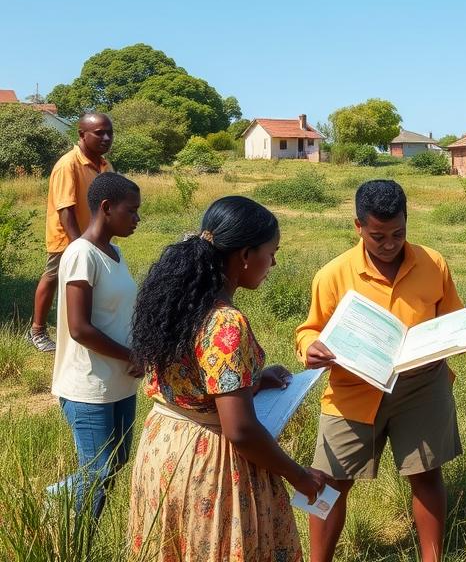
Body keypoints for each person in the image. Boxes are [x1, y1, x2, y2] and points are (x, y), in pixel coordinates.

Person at [296, 179, 466, 562]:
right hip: (352, 391)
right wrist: (310, 348)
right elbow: (309, 329)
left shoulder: (433, 263)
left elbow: (453, 318)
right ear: (358, 227)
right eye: (378, 236)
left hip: (422, 386)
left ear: (408, 220)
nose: (389, 244)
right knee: (330, 481)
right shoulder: (333, 274)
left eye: (398, 234)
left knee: (426, 474)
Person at [127, 196, 326, 562]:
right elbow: (241, 430)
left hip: (163, 448)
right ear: (246, 255)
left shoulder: (178, 304)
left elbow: (196, 381)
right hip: (209, 464)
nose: (274, 262)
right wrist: (298, 475)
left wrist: (253, 381)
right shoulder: (226, 323)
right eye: (272, 252)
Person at [51, 171, 142, 522]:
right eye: (131, 210)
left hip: (120, 381)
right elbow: (80, 328)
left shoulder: (115, 253)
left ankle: (52, 501)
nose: (137, 218)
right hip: (88, 386)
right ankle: (78, 546)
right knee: (97, 473)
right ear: (106, 207)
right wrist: (131, 355)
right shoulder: (81, 254)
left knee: (114, 464)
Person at [29, 113, 114, 352]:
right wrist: (79, 246)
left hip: (93, 238)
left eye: (109, 132)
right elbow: (65, 209)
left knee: (92, 281)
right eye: (99, 133)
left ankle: (88, 327)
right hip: (67, 237)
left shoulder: (105, 165)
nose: (106, 138)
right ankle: (37, 331)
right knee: (54, 277)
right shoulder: (68, 164)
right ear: (81, 135)